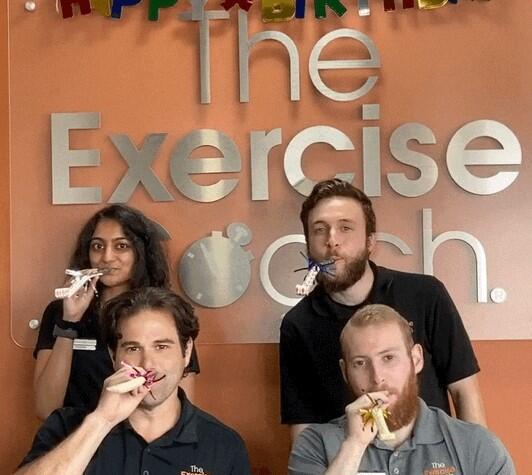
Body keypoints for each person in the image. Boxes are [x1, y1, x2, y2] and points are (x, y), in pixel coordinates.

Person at [280, 179, 486, 442]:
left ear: (370, 241)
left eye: (345, 227)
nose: (332, 240)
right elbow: (304, 429)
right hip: (350, 459)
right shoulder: (298, 324)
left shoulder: (425, 294)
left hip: (430, 457)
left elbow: (464, 391)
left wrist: (477, 456)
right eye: (320, 230)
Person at [17, 287, 251, 475]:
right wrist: (101, 421)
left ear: (187, 351)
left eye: (161, 347)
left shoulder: (224, 444)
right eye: (132, 348)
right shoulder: (65, 426)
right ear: (113, 355)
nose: (147, 364)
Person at [288, 304, 515, 475]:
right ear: (345, 371)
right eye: (360, 363)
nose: (377, 377)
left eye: (388, 358)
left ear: (415, 359)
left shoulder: (476, 445)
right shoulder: (316, 444)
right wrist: (354, 446)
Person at [33, 204, 199, 420]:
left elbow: (180, 408)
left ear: (140, 252)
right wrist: (69, 323)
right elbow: (46, 408)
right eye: (97, 246)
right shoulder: (60, 311)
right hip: (76, 434)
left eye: (121, 246)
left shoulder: (166, 315)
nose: (107, 257)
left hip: (140, 437)